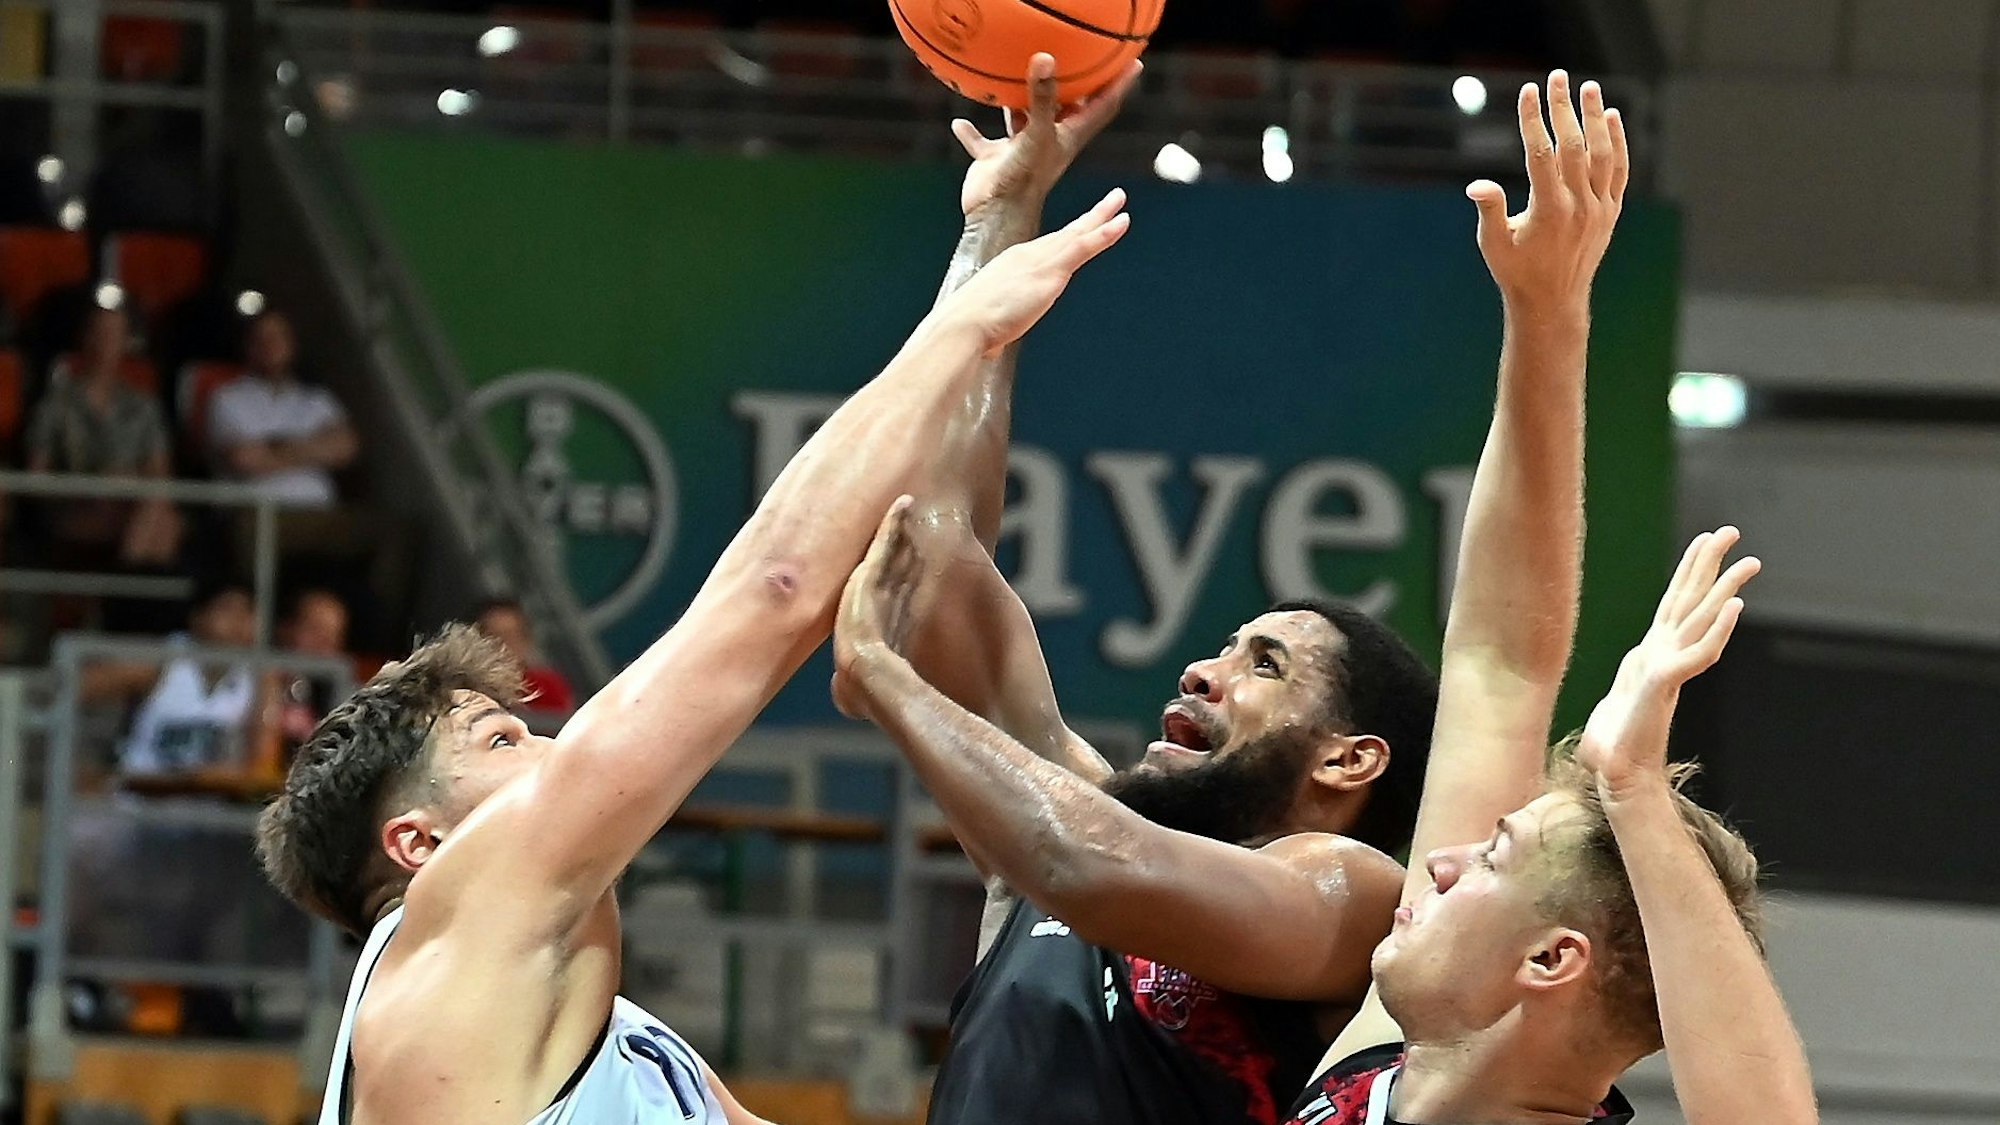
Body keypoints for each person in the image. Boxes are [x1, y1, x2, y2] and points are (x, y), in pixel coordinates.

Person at [252, 55, 1138, 1125]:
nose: (559, 742)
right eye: (498, 740)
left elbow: (918, 551)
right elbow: (774, 589)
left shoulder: (616, 1042)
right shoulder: (454, 924)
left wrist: (991, 227)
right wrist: (959, 328)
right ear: (418, 844)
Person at [829, 71, 1622, 1125]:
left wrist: (890, 685)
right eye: (1226, 646)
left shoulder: (1349, 898)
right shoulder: (1066, 814)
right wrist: (999, 219)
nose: (1203, 668)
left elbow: (1084, 863)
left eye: (1265, 664)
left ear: (1347, 758)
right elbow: (930, 543)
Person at [1282, 527, 1812, 1125]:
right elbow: (1496, 662)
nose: (1440, 861)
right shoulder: (1366, 1084)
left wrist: (1634, 788)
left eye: (1491, 857)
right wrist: (1538, 425)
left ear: (1550, 958)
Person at [26, 303, 182, 567]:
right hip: (76, 508)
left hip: (132, 505)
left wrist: (126, 483)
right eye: (99, 332)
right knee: (164, 524)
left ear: (127, 342)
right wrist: (89, 485)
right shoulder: (54, 404)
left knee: (161, 514)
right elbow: (36, 475)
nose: (105, 341)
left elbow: (159, 474)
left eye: (114, 334)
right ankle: (129, 596)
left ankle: (122, 588)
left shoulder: (144, 406)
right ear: (85, 337)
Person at [79, 578, 263, 778]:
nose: (238, 622)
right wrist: (90, 769)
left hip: (211, 802)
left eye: (247, 612)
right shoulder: (160, 662)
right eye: (227, 610)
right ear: (197, 617)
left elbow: (262, 760)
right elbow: (77, 687)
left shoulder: (258, 676)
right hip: (142, 798)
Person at [208, 309, 358, 508]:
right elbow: (243, 459)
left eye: (278, 337)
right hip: (256, 514)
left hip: (317, 512)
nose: (271, 346)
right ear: (249, 347)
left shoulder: (317, 399)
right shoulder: (227, 398)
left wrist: (272, 448)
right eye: (263, 338)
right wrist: (315, 448)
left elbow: (346, 449)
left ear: (292, 344)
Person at [472, 597, 574, 714]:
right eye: (499, 636)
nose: (509, 644)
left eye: (515, 634)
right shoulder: (475, 698)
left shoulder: (546, 684)